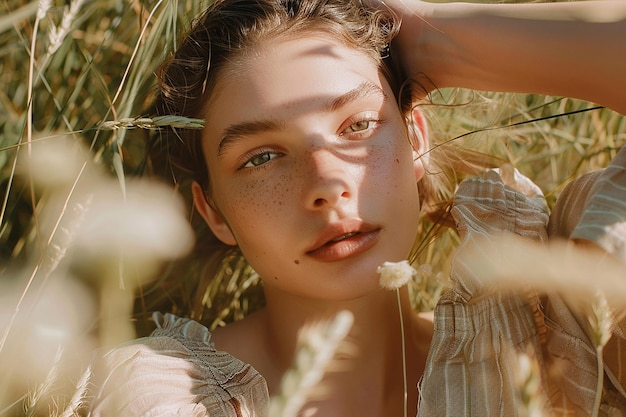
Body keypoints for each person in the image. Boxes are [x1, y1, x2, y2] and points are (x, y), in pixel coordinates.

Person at [87, 0, 626, 416]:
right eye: (263, 157)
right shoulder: (168, 395)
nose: (326, 183)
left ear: (416, 140)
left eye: (359, 125)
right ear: (214, 213)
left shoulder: (551, 323)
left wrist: (432, 36)